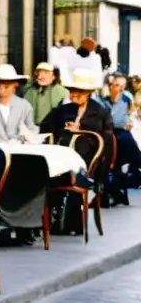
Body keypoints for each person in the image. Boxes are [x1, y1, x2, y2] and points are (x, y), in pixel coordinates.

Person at [39, 69, 113, 228]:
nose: (75, 95)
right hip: (63, 155)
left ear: (88, 93)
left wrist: (82, 128)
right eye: (73, 91)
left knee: (76, 173)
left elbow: (106, 138)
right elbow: (45, 126)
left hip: (87, 159)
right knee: (46, 172)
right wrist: (61, 128)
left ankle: (72, 223)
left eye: (79, 92)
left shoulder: (100, 112)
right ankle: (49, 219)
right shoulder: (64, 110)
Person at [100, 73, 138, 205]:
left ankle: (116, 189)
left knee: (125, 148)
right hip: (108, 133)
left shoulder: (126, 99)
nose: (121, 89)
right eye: (117, 85)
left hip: (121, 132)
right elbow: (108, 121)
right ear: (110, 86)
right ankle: (115, 191)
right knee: (118, 147)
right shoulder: (103, 101)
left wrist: (127, 122)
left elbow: (126, 114)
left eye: (123, 86)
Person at [0, 64, 38, 142]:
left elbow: (32, 129)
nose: (6, 86)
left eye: (9, 82)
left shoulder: (25, 106)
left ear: (16, 85)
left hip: (19, 151)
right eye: (2, 82)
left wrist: (25, 138)